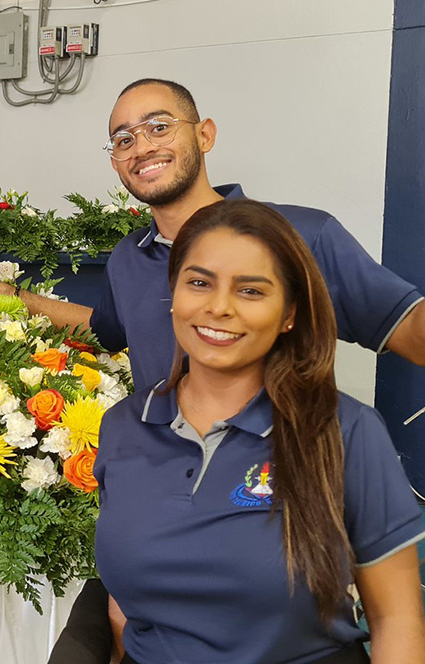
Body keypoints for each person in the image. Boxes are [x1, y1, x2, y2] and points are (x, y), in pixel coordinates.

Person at [94, 199, 425, 663]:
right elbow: (128, 602)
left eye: (251, 291)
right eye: (199, 283)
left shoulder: (346, 432)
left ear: (289, 314)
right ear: (174, 292)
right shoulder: (123, 426)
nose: (219, 307)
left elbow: (397, 620)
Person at [0, 78, 425, 390]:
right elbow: (107, 329)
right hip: (168, 494)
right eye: (124, 139)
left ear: (204, 135)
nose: (142, 146)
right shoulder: (129, 258)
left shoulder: (302, 235)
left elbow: (408, 328)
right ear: (116, 161)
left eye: (159, 127)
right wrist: (5, 292)